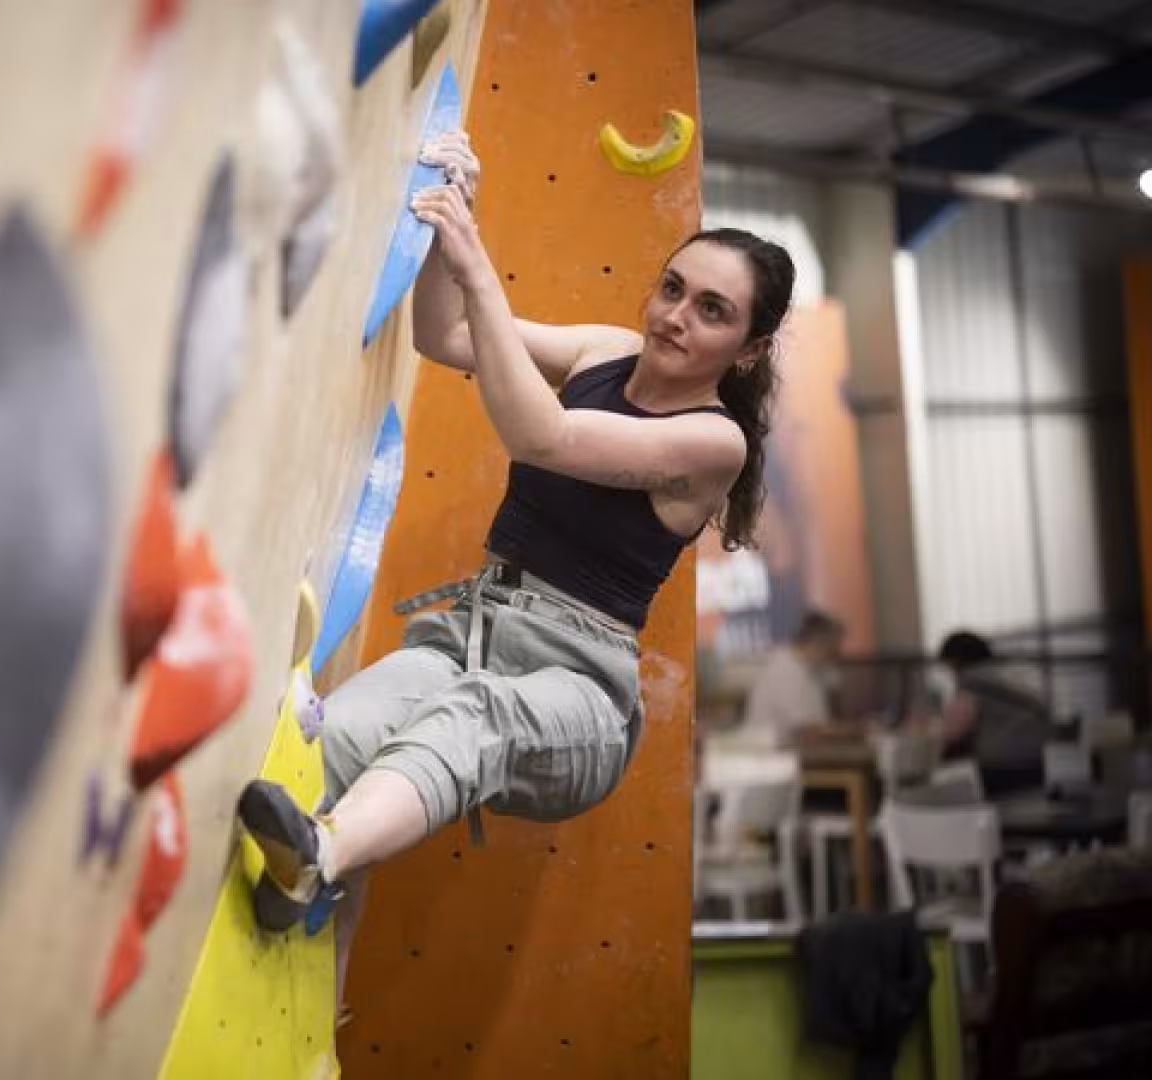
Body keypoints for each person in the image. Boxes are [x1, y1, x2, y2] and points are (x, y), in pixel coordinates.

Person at [233, 130, 795, 1009]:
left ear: (749, 350)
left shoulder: (715, 440)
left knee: (475, 717)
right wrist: (448, 208)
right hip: (472, 633)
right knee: (328, 742)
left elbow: (544, 436)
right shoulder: (604, 352)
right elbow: (444, 331)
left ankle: (323, 856)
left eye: (712, 311)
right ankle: (304, 893)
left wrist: (477, 257)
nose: (675, 315)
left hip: (580, 690)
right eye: (673, 288)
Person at [934, 630, 1052, 797]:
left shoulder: (972, 682)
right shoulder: (1012, 674)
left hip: (1001, 767)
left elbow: (953, 731)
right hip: (1039, 761)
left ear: (956, 660)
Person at [740, 610, 847, 748]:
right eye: (832, 649)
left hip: (794, 754)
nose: (835, 655)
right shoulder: (785, 671)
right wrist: (852, 731)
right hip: (773, 759)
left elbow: (823, 717)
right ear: (817, 644)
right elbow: (807, 731)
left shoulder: (810, 669)